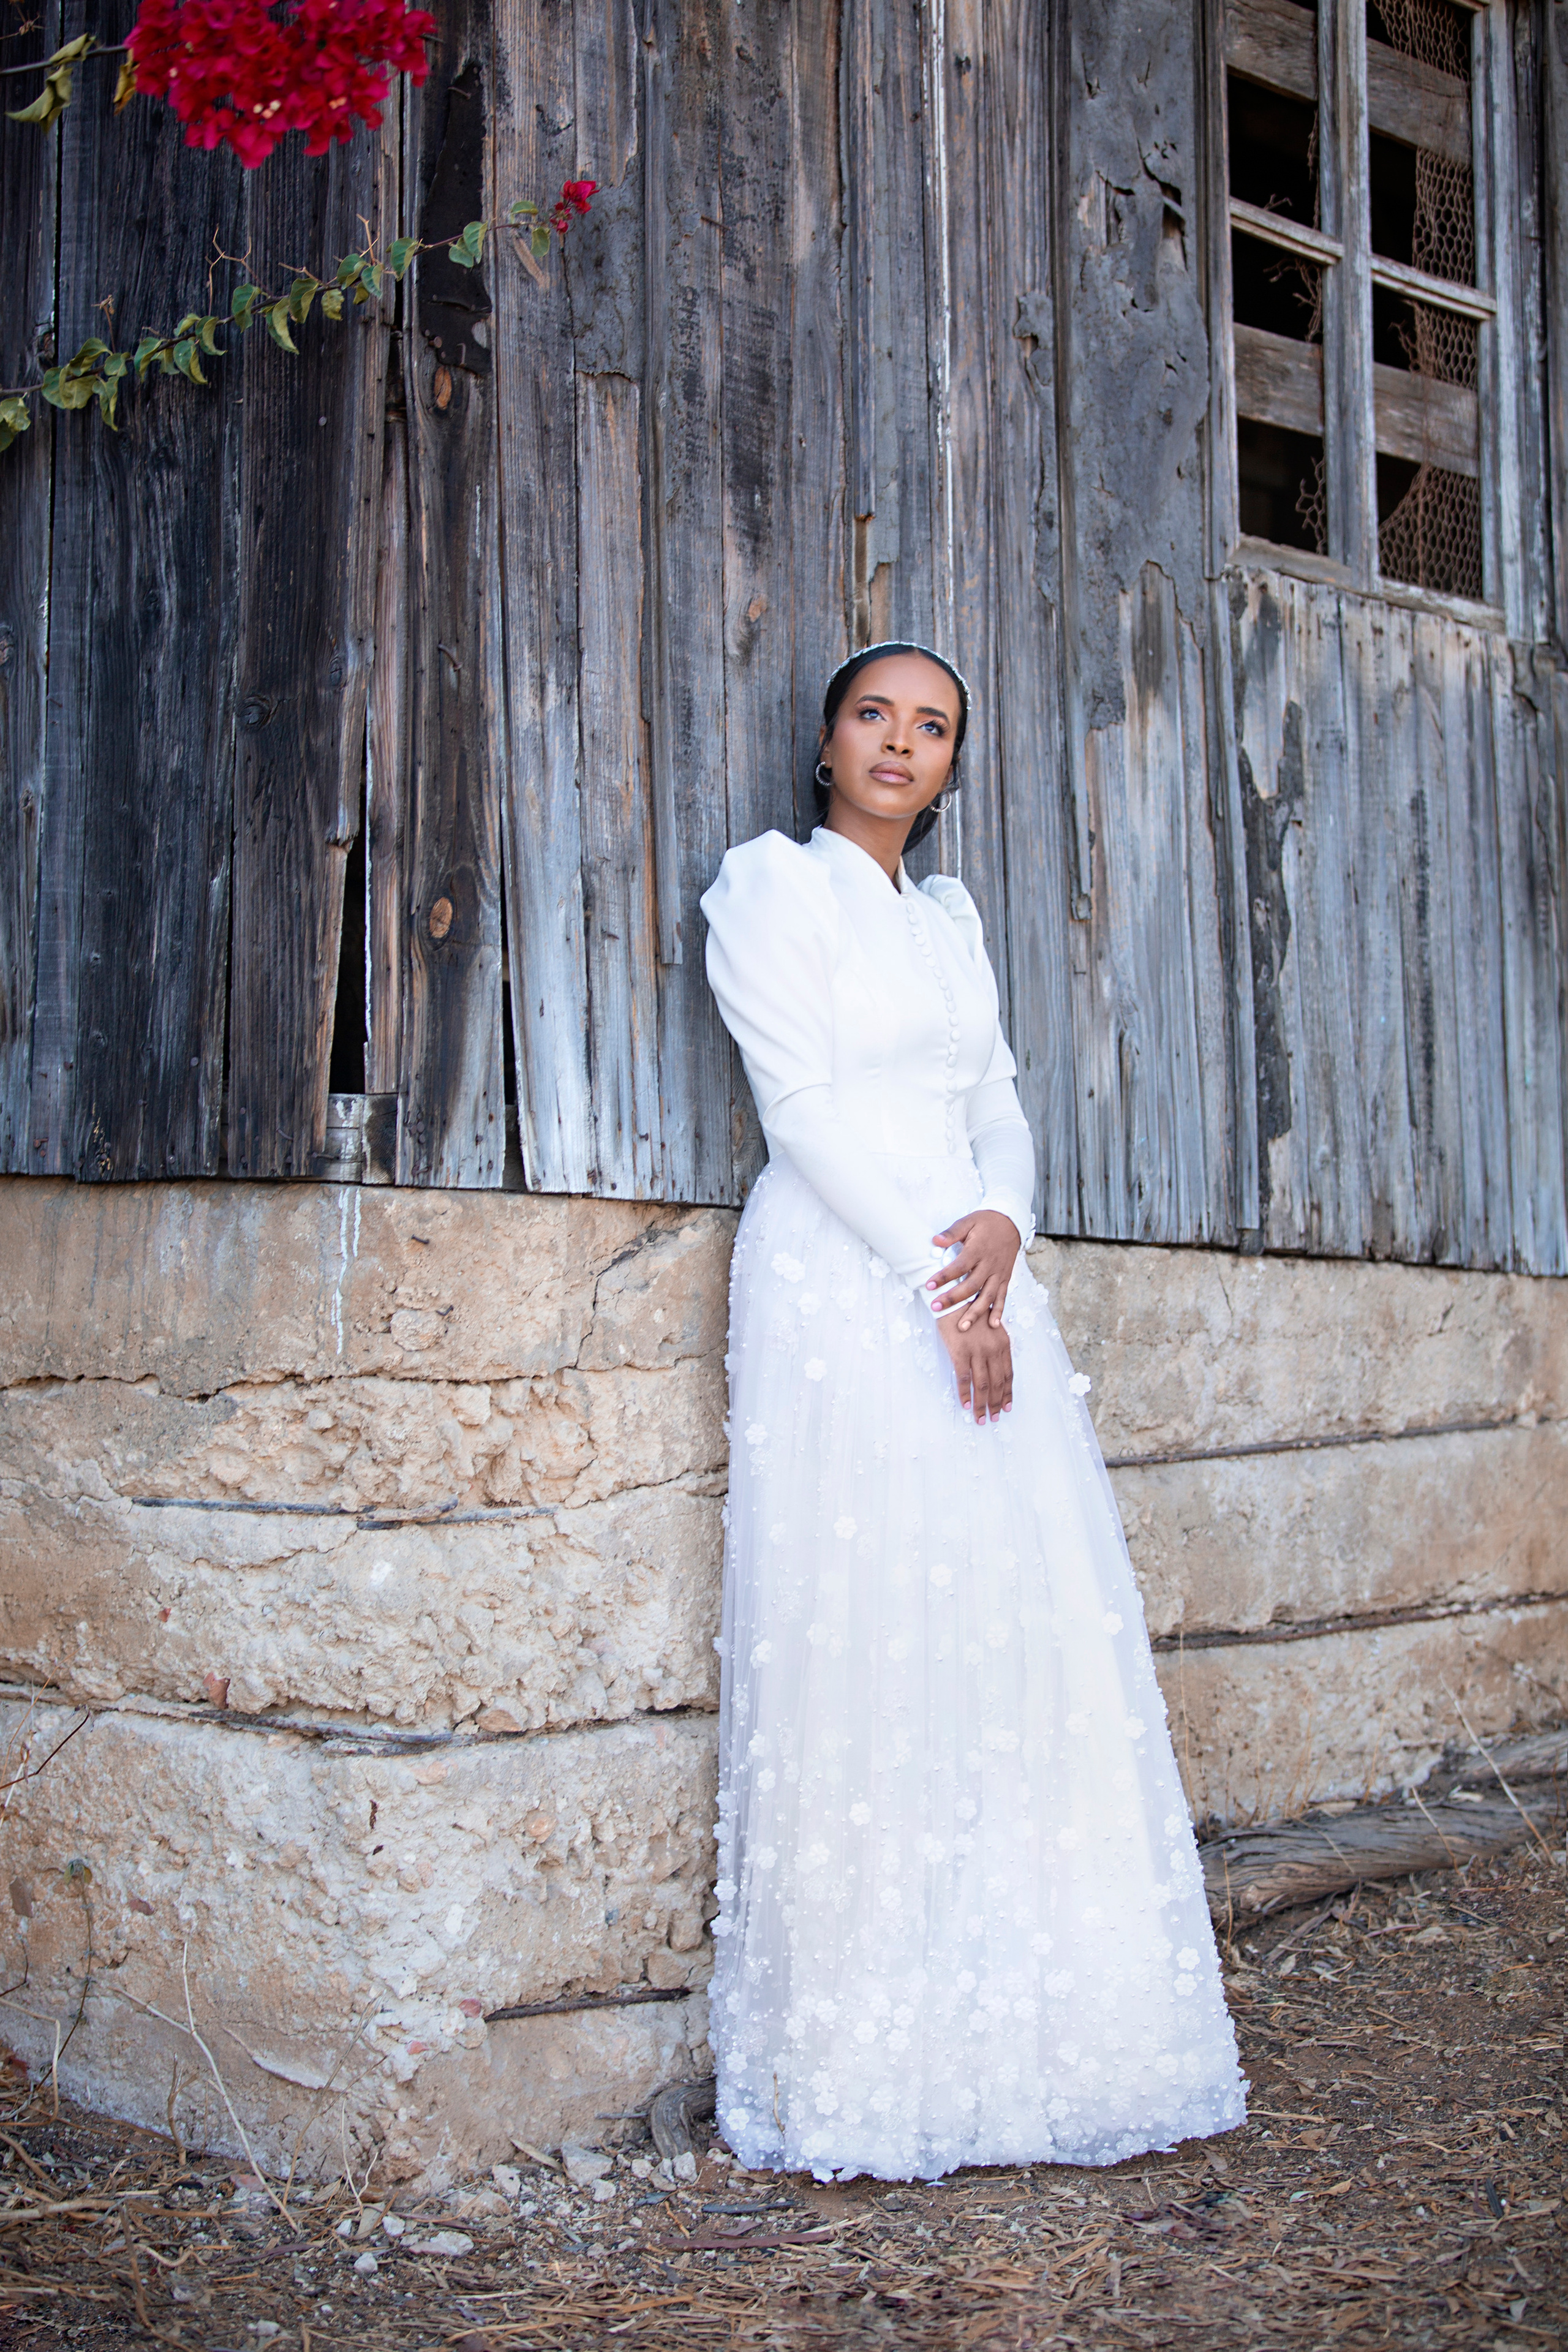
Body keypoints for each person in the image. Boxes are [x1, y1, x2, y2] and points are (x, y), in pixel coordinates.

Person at [699, 643, 1246, 2183]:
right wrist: (944, 1286)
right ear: (825, 743)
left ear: (950, 766)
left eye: (931, 726)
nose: (900, 741)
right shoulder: (770, 890)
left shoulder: (946, 918)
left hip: (972, 1259)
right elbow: (797, 1108)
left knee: (1014, 1624)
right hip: (847, 1271)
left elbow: (996, 1094)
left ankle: (1041, 2033)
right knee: (870, 1627)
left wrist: (1005, 1226)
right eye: (874, 715)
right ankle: (874, 2055)